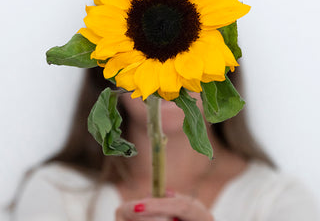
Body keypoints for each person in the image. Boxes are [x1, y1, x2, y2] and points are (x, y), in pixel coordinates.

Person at [10, 67, 319, 221]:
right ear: (109, 72)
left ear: (223, 72)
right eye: (144, 55)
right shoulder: (58, 190)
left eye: (185, 55)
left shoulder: (278, 202)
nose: (169, 79)